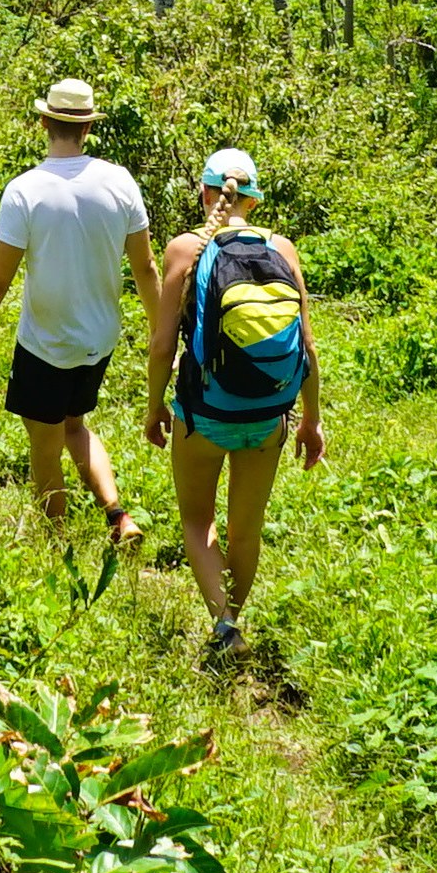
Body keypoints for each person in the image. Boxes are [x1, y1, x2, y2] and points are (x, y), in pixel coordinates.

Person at [0, 77, 158, 545]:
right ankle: (118, 515)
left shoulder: (26, 190)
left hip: (45, 343)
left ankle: (57, 544)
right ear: (87, 128)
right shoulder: (119, 181)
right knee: (74, 425)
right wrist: (160, 331)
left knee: (45, 449)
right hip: (99, 338)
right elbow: (145, 267)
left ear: (44, 122)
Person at [146, 149, 321, 667]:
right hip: (270, 414)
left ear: (206, 192)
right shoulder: (282, 248)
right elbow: (308, 348)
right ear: (254, 196)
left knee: (198, 521)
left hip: (203, 413)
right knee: (247, 529)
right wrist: (310, 419)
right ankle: (233, 618)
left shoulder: (185, 249)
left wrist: (154, 407)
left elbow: (161, 346)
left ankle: (224, 622)